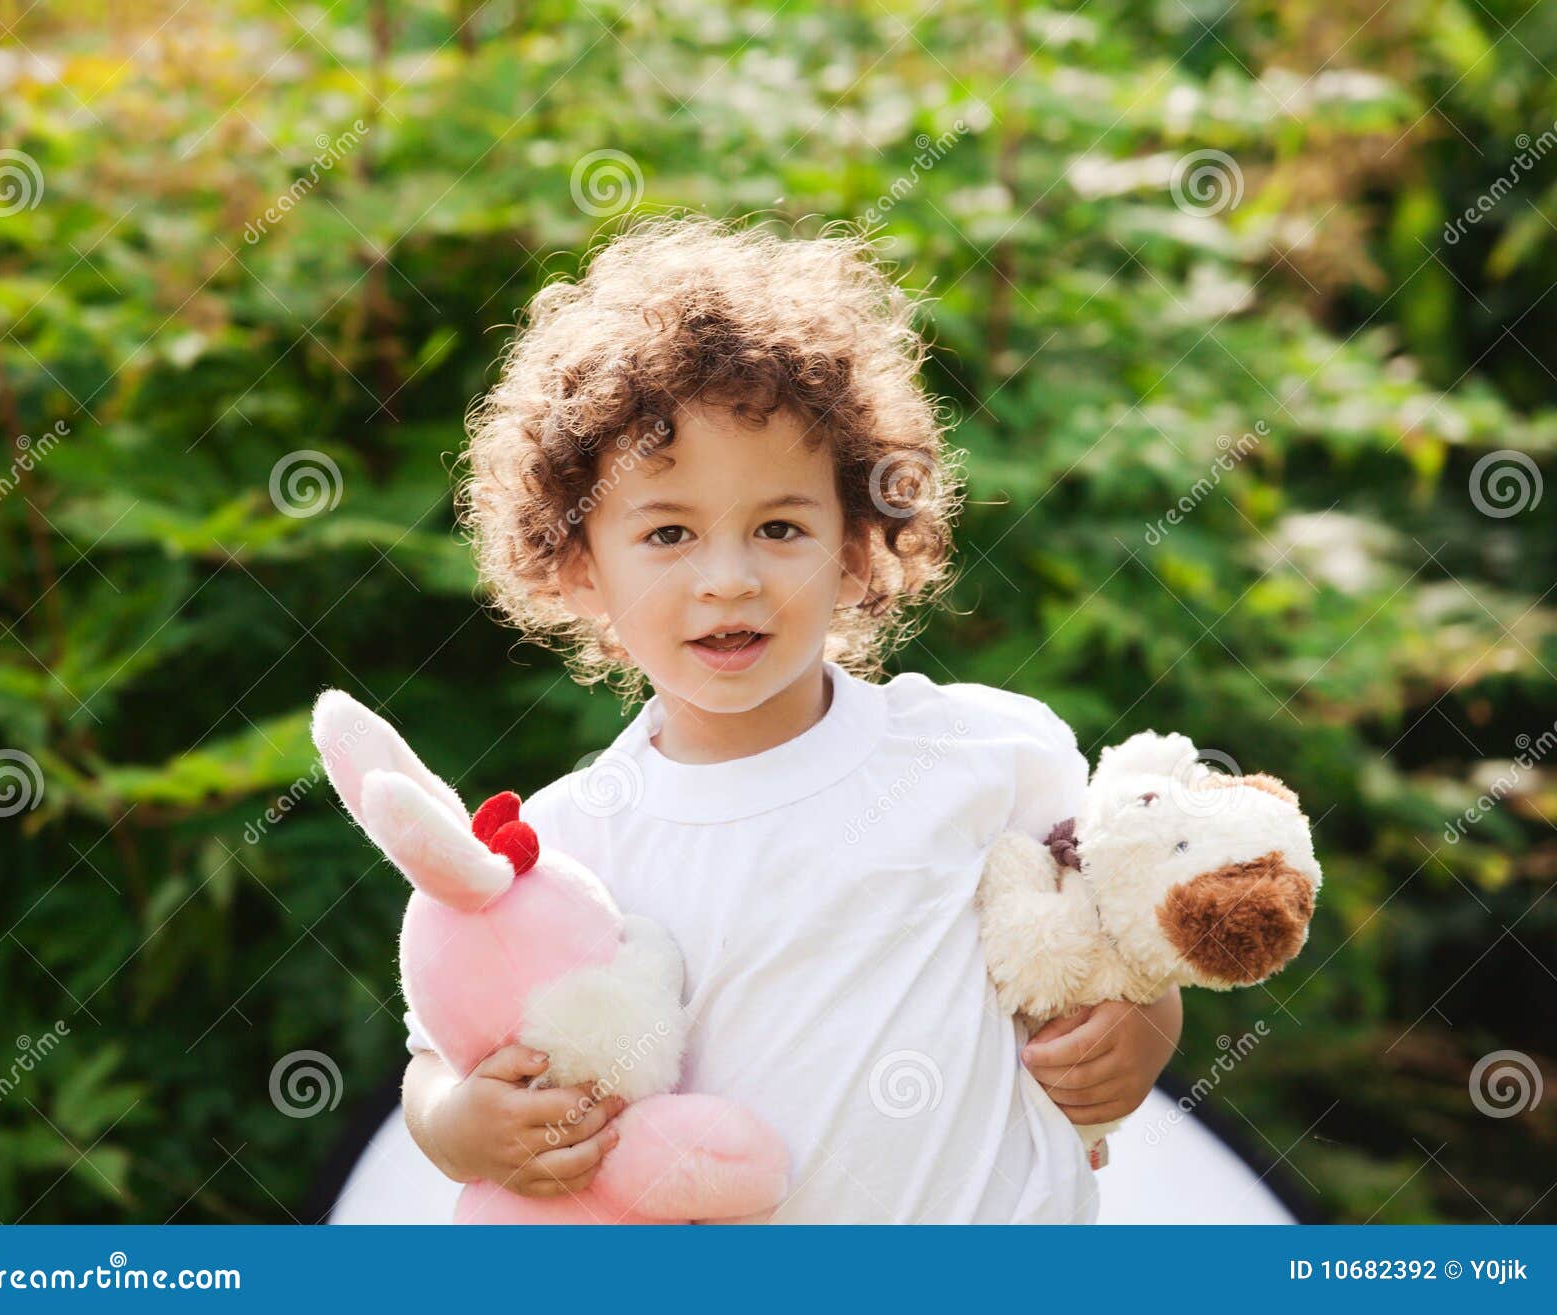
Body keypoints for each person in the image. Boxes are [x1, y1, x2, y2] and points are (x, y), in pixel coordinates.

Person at [400, 213, 1182, 1223]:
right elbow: (435, 1053)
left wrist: (1142, 1027)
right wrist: (458, 1124)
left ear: (856, 542)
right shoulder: (567, 842)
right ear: (581, 560)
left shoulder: (986, 756)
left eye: (779, 526)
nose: (728, 580)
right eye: (669, 532)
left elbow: (1123, 942)